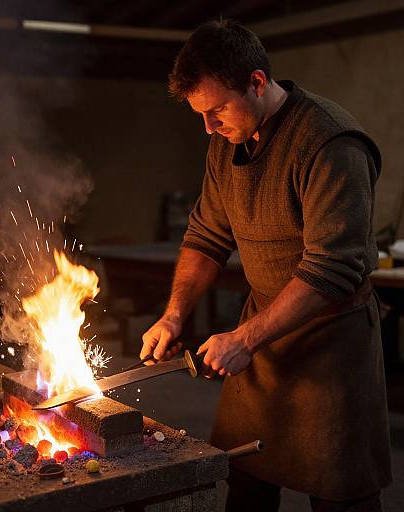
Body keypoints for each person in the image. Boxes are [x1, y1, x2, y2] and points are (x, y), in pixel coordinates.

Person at [140, 18, 391, 511]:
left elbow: (330, 269)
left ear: (257, 82)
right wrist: (174, 315)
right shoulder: (225, 140)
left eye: (216, 110)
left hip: (332, 343)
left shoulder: (331, 143)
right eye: (201, 115)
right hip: (260, 341)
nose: (209, 127)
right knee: (246, 477)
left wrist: (244, 338)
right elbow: (207, 236)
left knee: (342, 492)